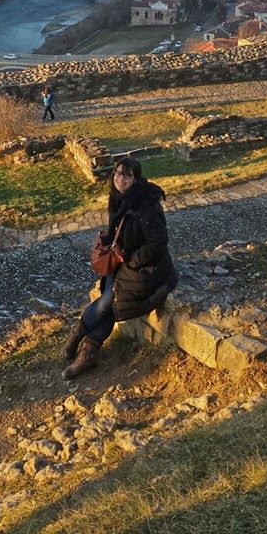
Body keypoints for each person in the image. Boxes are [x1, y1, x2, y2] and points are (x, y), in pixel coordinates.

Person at [63, 156, 178, 379]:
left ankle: (80, 342)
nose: (120, 179)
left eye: (127, 175)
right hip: (121, 261)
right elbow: (116, 227)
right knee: (109, 305)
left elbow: (158, 242)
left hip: (146, 269)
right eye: (117, 173)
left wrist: (132, 262)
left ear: (136, 179)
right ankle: (85, 350)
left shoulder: (146, 204)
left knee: (109, 305)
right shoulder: (117, 197)